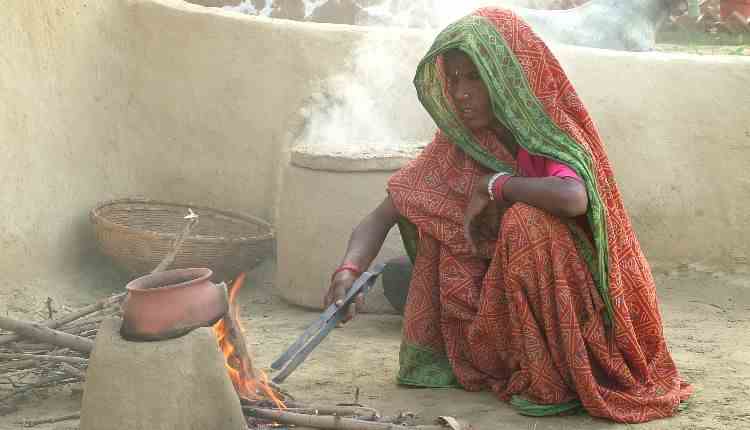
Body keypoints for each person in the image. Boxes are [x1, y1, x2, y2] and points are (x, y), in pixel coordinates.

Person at [323, 7, 692, 423]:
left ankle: (553, 371)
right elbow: (382, 214)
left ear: (505, 75)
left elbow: (574, 198)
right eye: (455, 78)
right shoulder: (460, 144)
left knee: (526, 222)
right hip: (501, 310)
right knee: (439, 232)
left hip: (582, 313)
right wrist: (348, 272)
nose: (461, 92)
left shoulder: (547, 132)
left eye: (474, 77)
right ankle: (508, 360)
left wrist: (495, 185)